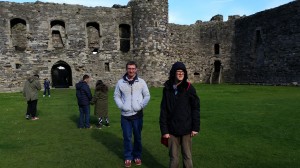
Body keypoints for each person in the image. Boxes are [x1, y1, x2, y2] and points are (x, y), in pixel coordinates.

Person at [159, 62, 200, 168]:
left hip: (186, 128)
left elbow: (195, 108)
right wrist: (164, 130)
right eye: (178, 71)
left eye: (182, 71)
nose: (180, 73)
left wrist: (195, 128)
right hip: (172, 130)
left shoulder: (189, 88)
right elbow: (163, 110)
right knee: (173, 157)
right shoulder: (167, 88)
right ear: (174, 73)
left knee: (187, 157)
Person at [114, 61, 150, 167]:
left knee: (138, 137)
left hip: (138, 115)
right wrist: (122, 106)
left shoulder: (141, 82)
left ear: (136, 69)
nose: (131, 70)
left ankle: (137, 156)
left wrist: (140, 106)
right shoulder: (120, 82)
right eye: (129, 68)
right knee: (127, 137)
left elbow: (147, 95)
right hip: (125, 116)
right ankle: (128, 157)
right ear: (126, 69)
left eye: (133, 68)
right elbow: (116, 96)